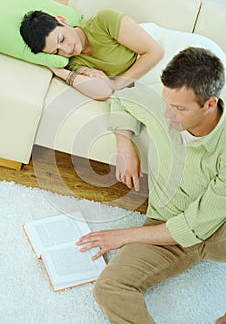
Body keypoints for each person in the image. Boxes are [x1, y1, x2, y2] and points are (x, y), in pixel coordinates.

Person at [76, 47, 226, 323]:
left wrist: (124, 236)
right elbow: (121, 96)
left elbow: (195, 227)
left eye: (179, 109)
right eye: (167, 102)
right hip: (165, 224)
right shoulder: (163, 105)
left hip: (217, 231)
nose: (168, 114)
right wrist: (124, 141)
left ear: (210, 104)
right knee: (109, 287)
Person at [20, 9, 163, 100]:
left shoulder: (103, 20)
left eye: (62, 39)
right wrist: (59, 72)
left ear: (62, 21)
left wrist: (116, 84)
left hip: (168, 54)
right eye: (56, 51)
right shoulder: (72, 62)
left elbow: (154, 52)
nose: (66, 50)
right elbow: (103, 92)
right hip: (153, 81)